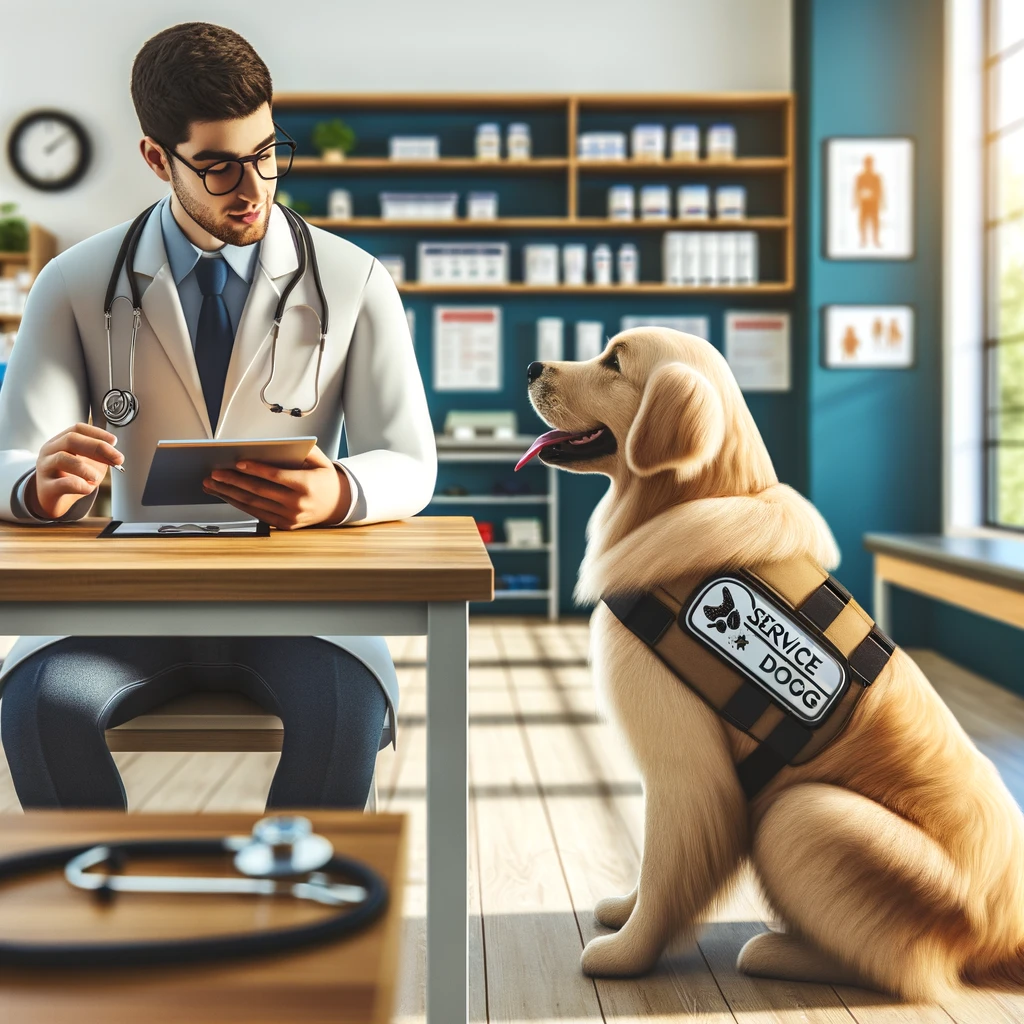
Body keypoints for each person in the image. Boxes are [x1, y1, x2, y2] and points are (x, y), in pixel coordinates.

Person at [0, 22, 436, 810]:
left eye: (268, 153)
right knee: (40, 708)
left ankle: (303, 928)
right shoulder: (74, 282)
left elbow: (409, 459)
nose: (255, 187)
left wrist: (338, 493)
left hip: (298, 609)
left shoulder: (353, 278)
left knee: (342, 716)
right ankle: (102, 924)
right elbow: (12, 456)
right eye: (220, 167)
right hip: (126, 606)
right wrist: (39, 485)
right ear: (156, 160)